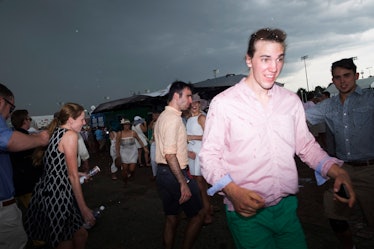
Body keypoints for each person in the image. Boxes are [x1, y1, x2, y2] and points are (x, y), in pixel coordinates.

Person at [199, 28, 355, 249]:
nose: (274, 68)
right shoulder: (224, 104)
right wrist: (233, 191)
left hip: (287, 209)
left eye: (279, 59)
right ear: (249, 60)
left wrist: (336, 170)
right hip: (247, 214)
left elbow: (306, 146)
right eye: (265, 59)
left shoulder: (290, 101)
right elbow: (209, 156)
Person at [306, 58, 374, 249]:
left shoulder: (370, 98)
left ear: (356, 76)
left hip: (370, 170)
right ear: (333, 81)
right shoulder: (328, 106)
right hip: (342, 170)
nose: (343, 81)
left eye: (347, 76)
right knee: (334, 216)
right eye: (337, 77)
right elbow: (298, 118)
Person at [25, 103, 95, 249]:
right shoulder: (70, 135)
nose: (84, 122)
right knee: (66, 240)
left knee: (77, 236)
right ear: (70, 120)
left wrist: (80, 173)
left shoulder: (56, 132)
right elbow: (72, 175)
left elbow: (57, 167)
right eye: (82, 119)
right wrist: (84, 209)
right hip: (59, 194)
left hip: (50, 190)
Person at [154, 81, 204, 249]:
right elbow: (169, 154)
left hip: (163, 173)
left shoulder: (164, 116)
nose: (191, 101)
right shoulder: (173, 119)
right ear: (176, 96)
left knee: (172, 216)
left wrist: (185, 152)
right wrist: (183, 182)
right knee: (198, 215)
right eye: (188, 96)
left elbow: (169, 148)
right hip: (175, 174)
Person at [0, 83, 49, 249]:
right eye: (11, 108)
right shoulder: (16, 136)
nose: (8, 115)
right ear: (1, 102)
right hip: (16, 194)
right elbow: (8, 141)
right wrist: (41, 139)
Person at [186, 93, 213, 224]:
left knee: (200, 186)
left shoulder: (202, 117)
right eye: (192, 104)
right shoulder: (189, 119)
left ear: (199, 104)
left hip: (201, 153)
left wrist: (192, 137)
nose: (194, 106)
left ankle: (207, 214)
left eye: (196, 103)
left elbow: (210, 136)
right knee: (199, 184)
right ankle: (207, 209)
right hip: (192, 154)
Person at [9, 110, 43, 209]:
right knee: (37, 213)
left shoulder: (11, 137)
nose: (30, 121)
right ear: (24, 121)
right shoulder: (26, 139)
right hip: (29, 184)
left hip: (19, 185)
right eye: (29, 119)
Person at [116, 118, 148, 184]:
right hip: (124, 152)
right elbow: (117, 144)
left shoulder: (133, 133)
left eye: (128, 125)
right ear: (123, 126)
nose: (127, 126)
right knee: (124, 168)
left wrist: (144, 148)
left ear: (130, 125)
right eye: (125, 125)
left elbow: (139, 140)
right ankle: (125, 181)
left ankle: (131, 173)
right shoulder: (120, 133)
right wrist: (118, 154)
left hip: (133, 152)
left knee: (131, 169)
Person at [148, 108, 161, 180]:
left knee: (160, 159)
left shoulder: (162, 121)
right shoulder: (153, 122)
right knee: (153, 160)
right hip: (154, 142)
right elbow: (149, 128)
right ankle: (154, 174)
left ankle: (159, 174)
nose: (153, 116)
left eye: (154, 115)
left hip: (160, 143)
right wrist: (153, 120)